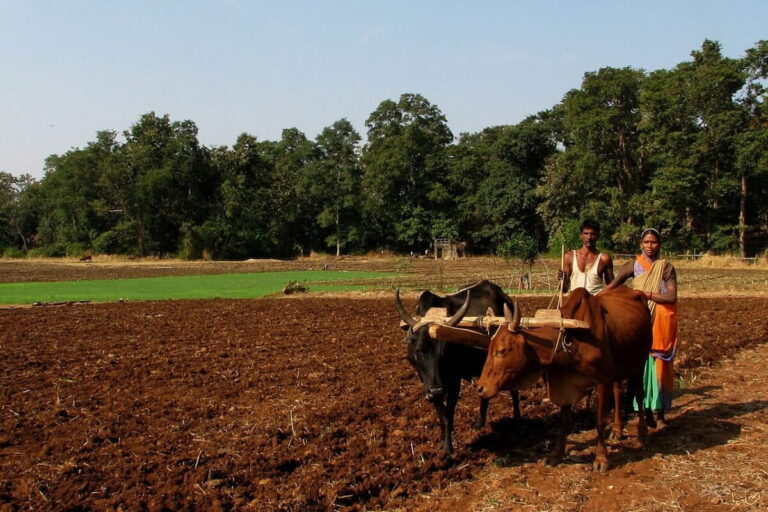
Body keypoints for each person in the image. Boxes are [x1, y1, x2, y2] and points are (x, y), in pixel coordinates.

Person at [604, 228, 679, 427]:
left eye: (654, 242)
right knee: (642, 365)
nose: (650, 246)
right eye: (646, 242)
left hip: (661, 320)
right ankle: (642, 410)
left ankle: (660, 411)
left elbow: (671, 296)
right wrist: (596, 299)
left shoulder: (666, 268)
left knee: (660, 365)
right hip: (640, 321)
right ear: (641, 244)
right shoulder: (633, 266)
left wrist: (645, 295)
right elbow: (613, 285)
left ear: (659, 245)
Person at [558, 220, 614, 295]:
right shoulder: (569, 256)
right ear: (580, 236)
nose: (589, 237)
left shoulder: (604, 258)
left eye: (592, 234)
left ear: (598, 236)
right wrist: (561, 279)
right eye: (586, 233)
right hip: (576, 302)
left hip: (595, 302)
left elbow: (612, 287)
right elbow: (563, 289)